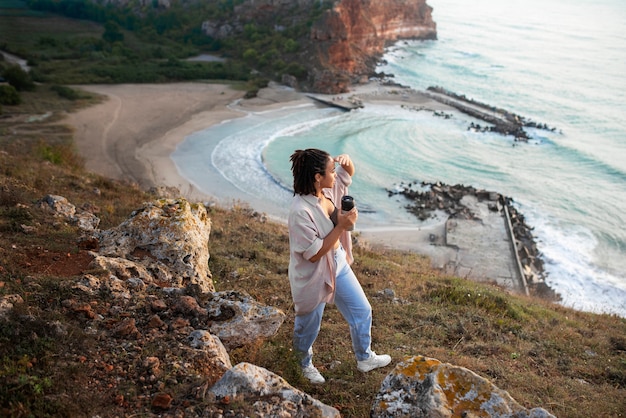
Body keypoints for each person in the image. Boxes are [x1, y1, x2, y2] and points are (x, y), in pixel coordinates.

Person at [287, 148, 391, 384]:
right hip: (312, 274)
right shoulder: (300, 211)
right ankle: (302, 364)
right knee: (308, 325)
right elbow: (313, 255)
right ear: (317, 177)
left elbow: (347, 175)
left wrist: (347, 161)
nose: (335, 175)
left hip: (337, 263)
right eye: (331, 171)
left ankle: (365, 358)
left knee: (362, 310)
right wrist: (342, 227)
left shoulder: (326, 192)